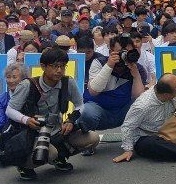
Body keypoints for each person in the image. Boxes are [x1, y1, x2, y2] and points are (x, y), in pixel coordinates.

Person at [5, 47, 99, 180]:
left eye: (62, 66)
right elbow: (10, 110)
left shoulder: (68, 82)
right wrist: (26, 120)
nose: (59, 70)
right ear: (43, 66)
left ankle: (59, 159)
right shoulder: (28, 85)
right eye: (55, 66)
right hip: (34, 134)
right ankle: (24, 165)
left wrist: (71, 120)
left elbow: (80, 105)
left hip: (58, 131)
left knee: (93, 139)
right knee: (50, 153)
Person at [76, 33, 148, 153]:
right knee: (86, 112)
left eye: (128, 52)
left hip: (123, 112)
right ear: (111, 52)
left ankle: (138, 140)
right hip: (98, 111)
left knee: (143, 104)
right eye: (121, 52)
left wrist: (135, 75)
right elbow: (94, 91)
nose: (125, 55)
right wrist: (109, 65)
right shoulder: (99, 62)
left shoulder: (138, 68)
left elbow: (138, 98)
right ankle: (86, 142)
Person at [0, 63, 27, 129]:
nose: (11, 81)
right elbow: (1, 123)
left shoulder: (30, 97)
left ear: (23, 79)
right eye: (8, 77)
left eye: (14, 77)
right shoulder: (2, 99)